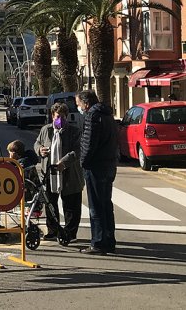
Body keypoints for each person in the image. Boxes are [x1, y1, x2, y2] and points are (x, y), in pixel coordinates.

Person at [34, 102, 84, 243]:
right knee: (50, 203)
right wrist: (39, 149)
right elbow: (37, 143)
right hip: (50, 174)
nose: (60, 120)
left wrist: (65, 162)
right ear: (52, 116)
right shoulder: (46, 130)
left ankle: (70, 233)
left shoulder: (74, 131)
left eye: (63, 117)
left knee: (71, 205)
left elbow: (78, 150)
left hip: (70, 174)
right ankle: (53, 231)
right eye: (57, 117)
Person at [76, 90, 117, 255]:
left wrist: (83, 162)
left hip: (96, 166)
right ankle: (109, 240)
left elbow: (88, 143)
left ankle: (98, 243)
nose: (78, 108)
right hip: (109, 164)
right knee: (106, 204)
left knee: (96, 207)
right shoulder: (107, 115)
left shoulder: (92, 117)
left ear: (86, 103)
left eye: (79, 104)